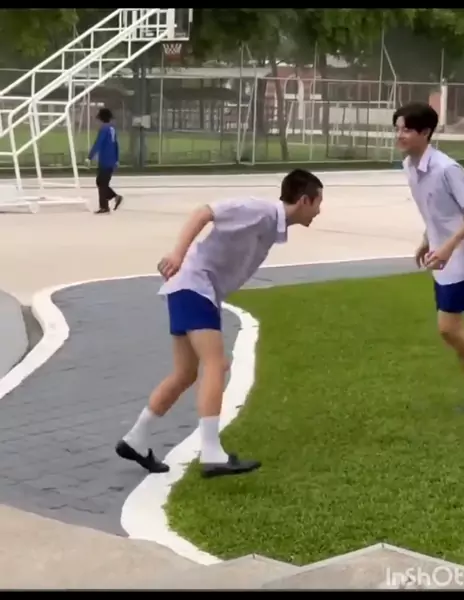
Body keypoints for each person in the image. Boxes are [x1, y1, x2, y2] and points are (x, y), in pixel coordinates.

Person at [115, 168, 323, 478]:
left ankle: (136, 439)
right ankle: (212, 452)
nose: (319, 211)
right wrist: (177, 254)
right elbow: (204, 212)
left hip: (190, 289)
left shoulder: (271, 224)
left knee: (185, 374)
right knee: (216, 364)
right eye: (318, 202)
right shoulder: (260, 210)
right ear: (305, 200)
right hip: (195, 286)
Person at [393, 101, 464, 410]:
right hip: (441, 255)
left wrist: (448, 247)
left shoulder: (446, 169)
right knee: (453, 332)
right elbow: (435, 212)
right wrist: (427, 240)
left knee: (448, 329)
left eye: (406, 130)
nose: (399, 135)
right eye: (397, 129)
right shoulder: (409, 166)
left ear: (426, 132)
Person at [86, 107, 123, 214]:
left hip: (105, 160)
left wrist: (90, 157)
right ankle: (112, 199)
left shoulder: (104, 129)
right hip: (111, 160)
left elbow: (98, 143)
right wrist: (116, 159)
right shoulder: (112, 129)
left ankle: (106, 205)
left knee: (101, 183)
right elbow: (116, 145)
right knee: (102, 182)